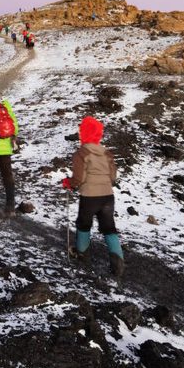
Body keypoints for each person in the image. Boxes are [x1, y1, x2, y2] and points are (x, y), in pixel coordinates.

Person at [61, 116, 124, 276]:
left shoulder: (81, 153)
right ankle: (118, 263)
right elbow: (112, 176)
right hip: (107, 196)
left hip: (89, 196)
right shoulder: (106, 153)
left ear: (84, 133)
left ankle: (82, 254)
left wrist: (69, 183)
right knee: (109, 228)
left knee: (83, 224)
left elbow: (79, 178)